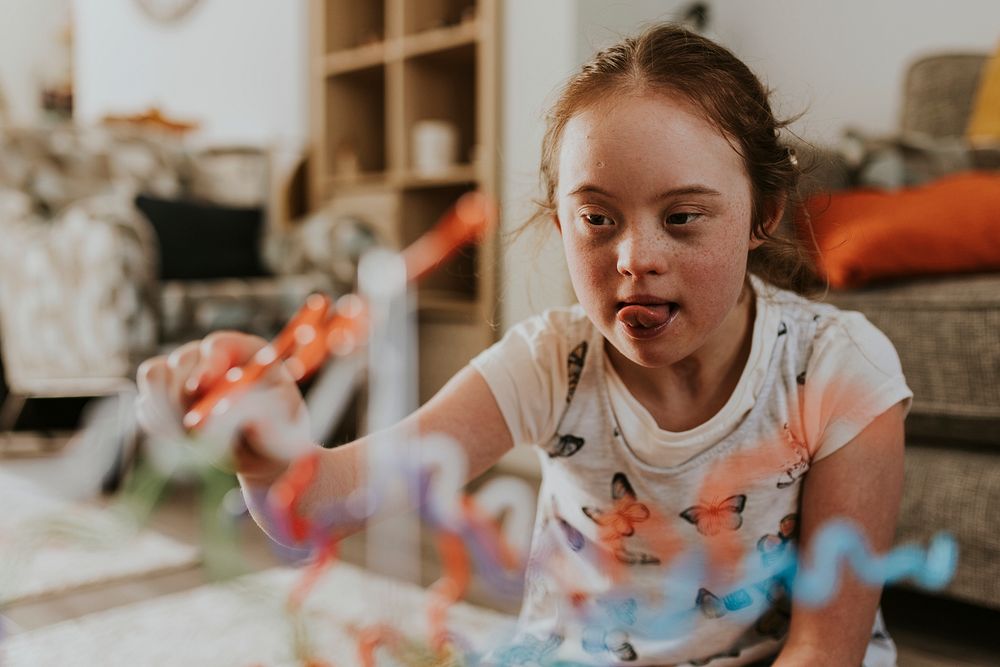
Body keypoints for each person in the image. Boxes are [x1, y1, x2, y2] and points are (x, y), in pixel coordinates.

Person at [136, 24, 911, 667]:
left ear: (762, 214)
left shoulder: (841, 368)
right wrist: (267, 443)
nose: (634, 257)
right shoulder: (551, 360)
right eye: (597, 218)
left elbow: (823, 650)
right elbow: (322, 503)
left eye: (682, 217)